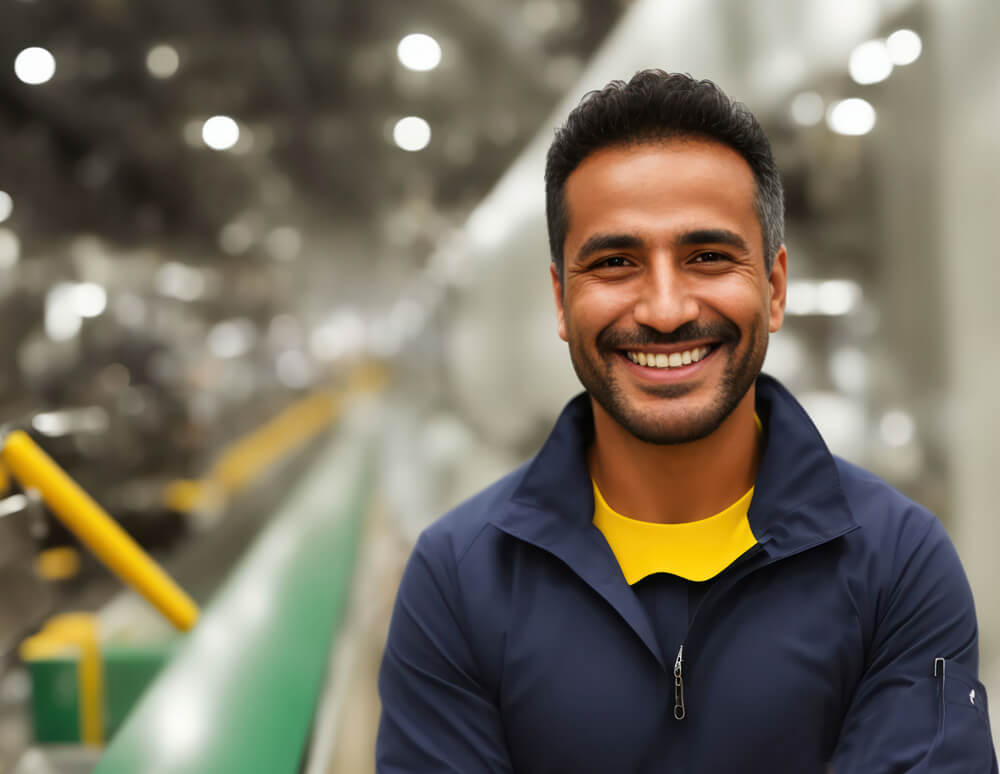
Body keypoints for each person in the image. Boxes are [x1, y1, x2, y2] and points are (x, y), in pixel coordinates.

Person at [376, 70, 997, 773]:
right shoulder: (460, 579)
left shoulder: (896, 564)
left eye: (707, 257)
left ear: (774, 287)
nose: (666, 310)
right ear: (560, 300)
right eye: (615, 262)